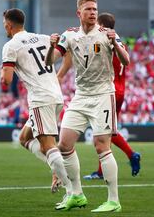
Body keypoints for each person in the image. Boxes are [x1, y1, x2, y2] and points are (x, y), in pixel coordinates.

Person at [46, 0, 130, 212]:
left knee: (101, 145)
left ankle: (113, 200)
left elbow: (126, 61)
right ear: (79, 13)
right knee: (64, 144)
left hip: (103, 94)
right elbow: (49, 61)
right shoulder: (70, 35)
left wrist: (114, 43)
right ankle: (77, 194)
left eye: (95, 9)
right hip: (81, 96)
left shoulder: (106, 34)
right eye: (89, 9)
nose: (93, 12)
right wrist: (50, 46)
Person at [0, 8, 73, 204]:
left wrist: (2, 73)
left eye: (4, 24)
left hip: (41, 99)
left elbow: (6, 81)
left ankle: (72, 190)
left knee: (47, 145)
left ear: (9, 24)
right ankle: (55, 168)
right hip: (56, 95)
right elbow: (67, 54)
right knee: (25, 138)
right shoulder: (42, 37)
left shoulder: (10, 46)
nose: (4, 27)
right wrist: (61, 74)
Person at [56, 13, 141, 180]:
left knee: (104, 133)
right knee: (106, 132)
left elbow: (93, 56)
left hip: (107, 90)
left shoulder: (103, 40)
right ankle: (104, 170)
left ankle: (130, 155)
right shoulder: (118, 42)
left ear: (102, 25)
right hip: (120, 90)